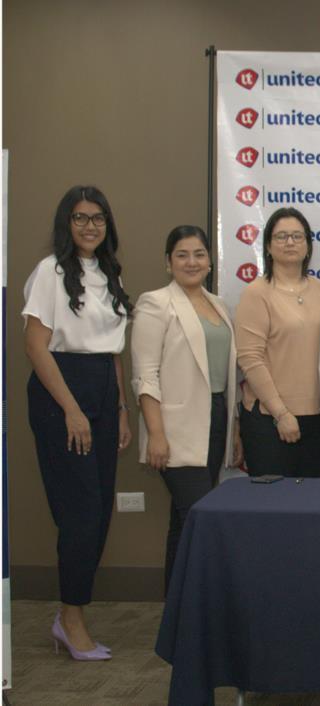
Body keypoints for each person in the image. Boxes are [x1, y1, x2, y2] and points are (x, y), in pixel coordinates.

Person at [23, 185, 133, 660]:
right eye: (80, 218)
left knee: (99, 509)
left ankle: (71, 614)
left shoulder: (110, 272)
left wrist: (121, 409)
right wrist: (71, 409)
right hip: (61, 392)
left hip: (103, 389)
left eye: (98, 218)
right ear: (65, 224)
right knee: (80, 511)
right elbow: (35, 345)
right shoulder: (50, 271)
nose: (90, 226)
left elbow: (112, 351)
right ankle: (70, 619)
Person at [130, 226, 241, 595]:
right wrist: (156, 434)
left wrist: (234, 428)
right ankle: (191, 603)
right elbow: (145, 376)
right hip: (175, 427)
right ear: (168, 262)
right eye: (182, 255)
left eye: (199, 254)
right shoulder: (155, 303)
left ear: (210, 261)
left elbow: (225, 372)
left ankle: (176, 608)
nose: (191, 262)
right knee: (198, 515)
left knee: (184, 520)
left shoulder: (219, 305)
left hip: (215, 418)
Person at [235, 207, 320, 477]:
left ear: (308, 245)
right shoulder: (256, 293)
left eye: (297, 236)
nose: (290, 242)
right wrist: (281, 414)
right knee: (272, 500)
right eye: (281, 236)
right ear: (268, 246)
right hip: (270, 418)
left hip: (316, 416)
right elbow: (250, 360)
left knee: (308, 498)